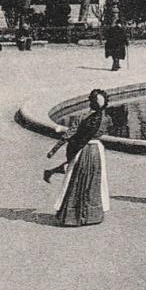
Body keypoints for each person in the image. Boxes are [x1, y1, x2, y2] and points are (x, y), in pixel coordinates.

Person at [46, 88, 111, 227]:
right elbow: (107, 129)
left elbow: (68, 134)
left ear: (90, 103)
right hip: (97, 151)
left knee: (76, 179)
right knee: (93, 181)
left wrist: (54, 149)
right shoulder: (106, 119)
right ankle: (92, 215)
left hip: (82, 150)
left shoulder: (82, 118)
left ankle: (72, 216)